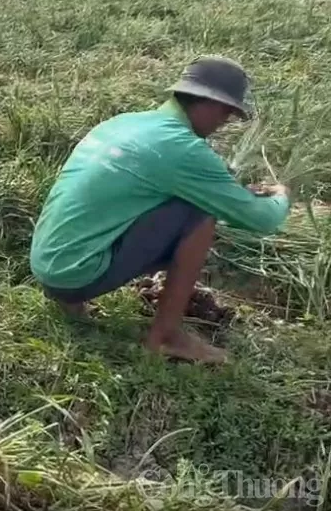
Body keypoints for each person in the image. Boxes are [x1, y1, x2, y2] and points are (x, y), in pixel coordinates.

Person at [30, 57, 290, 364]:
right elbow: (262, 219)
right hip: (75, 275)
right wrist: (281, 194)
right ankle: (166, 336)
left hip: (48, 264)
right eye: (226, 113)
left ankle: (69, 303)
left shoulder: (124, 122)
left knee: (188, 201)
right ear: (208, 103)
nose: (225, 122)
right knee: (199, 211)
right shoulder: (183, 148)